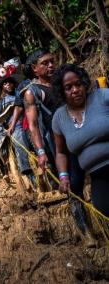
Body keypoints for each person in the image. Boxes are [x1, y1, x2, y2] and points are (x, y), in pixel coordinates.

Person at [52, 64, 109, 217]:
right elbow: (61, 152)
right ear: (62, 92)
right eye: (68, 87)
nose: (75, 90)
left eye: (78, 84)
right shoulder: (59, 118)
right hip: (97, 176)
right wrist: (63, 176)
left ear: (84, 83)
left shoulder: (102, 96)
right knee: (104, 209)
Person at [21, 49, 60, 172]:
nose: (50, 65)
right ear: (34, 68)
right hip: (55, 141)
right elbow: (33, 124)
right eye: (45, 63)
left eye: (52, 61)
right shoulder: (32, 92)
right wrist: (41, 151)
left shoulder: (63, 84)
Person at [0, 77, 34, 181]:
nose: (8, 85)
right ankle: (26, 168)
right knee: (19, 139)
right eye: (5, 83)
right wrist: (6, 130)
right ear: (2, 87)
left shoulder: (21, 94)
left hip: (29, 122)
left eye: (10, 82)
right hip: (15, 127)